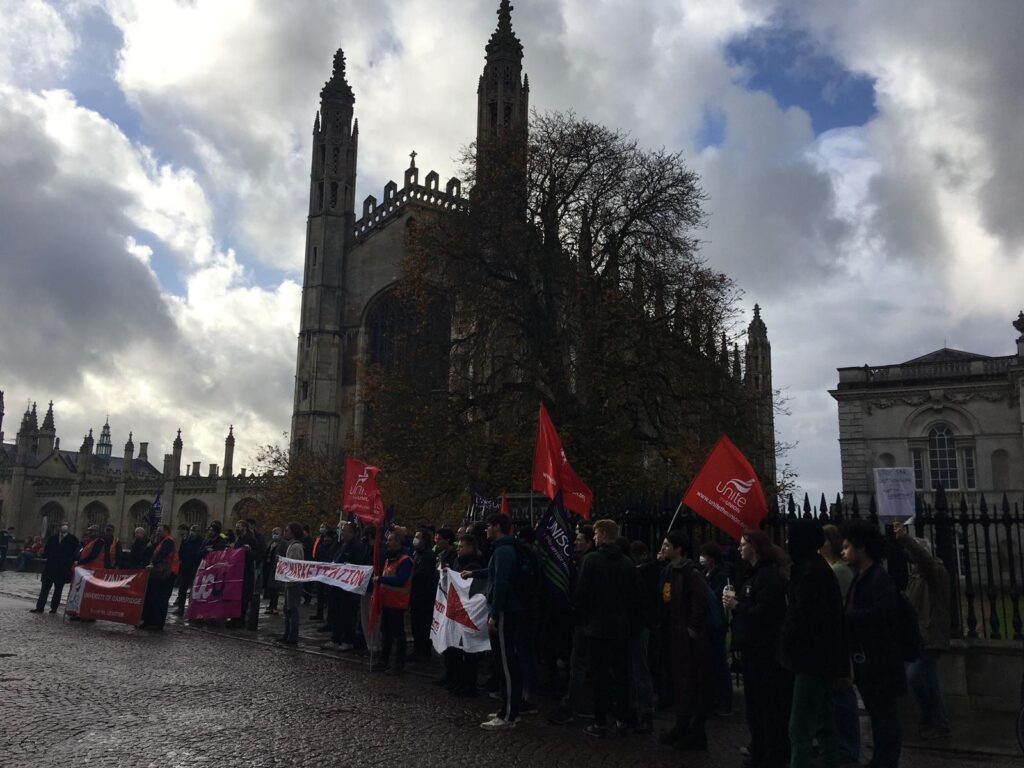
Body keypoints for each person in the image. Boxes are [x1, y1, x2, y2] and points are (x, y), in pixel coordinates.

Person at [782, 519, 847, 768]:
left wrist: (786, 636)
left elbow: (804, 618)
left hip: (810, 659)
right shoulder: (814, 568)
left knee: (800, 729)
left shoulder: (810, 572)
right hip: (821, 658)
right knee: (824, 723)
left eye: (791, 538)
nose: (788, 542)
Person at [842, 520, 906, 768]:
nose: (844, 551)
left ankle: (886, 762)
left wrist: (847, 617)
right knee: (878, 715)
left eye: (848, 547)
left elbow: (884, 614)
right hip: (868, 659)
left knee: (885, 717)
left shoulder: (878, 578)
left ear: (862, 549)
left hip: (880, 660)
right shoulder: (863, 576)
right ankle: (880, 760)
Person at [724, 528, 790, 768]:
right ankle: (761, 750)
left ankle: (771, 754)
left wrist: (737, 605)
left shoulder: (767, 576)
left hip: (764, 652)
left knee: (767, 706)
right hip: (753, 650)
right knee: (756, 706)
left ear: (756, 547)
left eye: (744, 544)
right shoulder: (755, 575)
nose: (740, 547)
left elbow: (764, 613)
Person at [575, 519, 640, 738]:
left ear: (602, 534)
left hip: (597, 626)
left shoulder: (591, 560)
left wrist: (585, 618)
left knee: (600, 676)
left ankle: (600, 720)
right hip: (621, 627)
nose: (594, 537)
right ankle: (622, 718)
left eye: (595, 533)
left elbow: (582, 594)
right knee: (622, 675)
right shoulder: (628, 564)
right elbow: (634, 598)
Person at [462, 513, 522, 730]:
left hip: (505, 612)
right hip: (505, 611)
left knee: (506, 663)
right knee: (506, 662)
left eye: (488, 526)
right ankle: (507, 708)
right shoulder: (503, 549)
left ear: (497, 527)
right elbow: (494, 572)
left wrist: (495, 614)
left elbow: (502, 583)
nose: (486, 530)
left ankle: (508, 715)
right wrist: (474, 573)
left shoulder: (504, 551)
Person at [894, 521, 952, 739]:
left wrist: (904, 538)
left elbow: (923, 560)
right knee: (927, 680)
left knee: (917, 675)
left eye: (913, 554)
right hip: (919, 636)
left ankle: (936, 719)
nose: (910, 559)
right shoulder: (916, 577)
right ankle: (935, 720)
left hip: (931, 635)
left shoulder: (936, 571)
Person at [657, 531, 714, 751]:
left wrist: (691, 629)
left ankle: (696, 731)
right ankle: (681, 725)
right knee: (680, 683)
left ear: (678, 548)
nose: (663, 548)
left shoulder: (692, 573)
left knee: (692, 683)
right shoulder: (668, 571)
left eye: (667, 545)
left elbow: (698, 604)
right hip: (673, 635)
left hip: (689, 639)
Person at [550, 524, 596, 725]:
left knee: (580, 664)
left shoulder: (588, 562)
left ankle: (574, 706)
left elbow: (583, 592)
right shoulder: (582, 560)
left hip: (586, 620)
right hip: (588, 620)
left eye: (579, 539)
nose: (575, 543)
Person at [821, 524, 859, 764]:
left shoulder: (838, 571)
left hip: (838, 641)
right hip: (834, 639)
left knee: (841, 694)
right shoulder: (834, 570)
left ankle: (848, 746)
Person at [445, 534, 485, 697]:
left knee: (469, 653)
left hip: (469, 614)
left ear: (470, 548)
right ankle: (459, 681)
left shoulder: (474, 566)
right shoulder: (458, 562)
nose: (458, 549)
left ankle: (469, 685)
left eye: (461, 547)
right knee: (458, 649)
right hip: (458, 612)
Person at [699, 541, 734, 716]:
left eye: (704, 555)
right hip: (707, 622)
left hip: (716, 623)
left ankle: (725, 700)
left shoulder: (720, 575)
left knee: (720, 662)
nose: (702, 558)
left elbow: (716, 597)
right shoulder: (706, 573)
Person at [628, 540, 659, 734]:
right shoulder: (648, 571)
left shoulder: (645, 574)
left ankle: (645, 711)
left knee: (640, 669)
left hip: (640, 625)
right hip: (643, 624)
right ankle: (639, 709)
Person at [373, 530, 413, 674]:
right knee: (386, 633)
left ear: (398, 542)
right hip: (387, 602)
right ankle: (384, 660)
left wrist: (381, 579)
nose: (387, 543)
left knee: (398, 634)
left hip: (397, 602)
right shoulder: (389, 559)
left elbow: (400, 580)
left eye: (390, 540)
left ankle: (398, 664)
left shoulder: (405, 560)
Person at [323, 522, 365, 651]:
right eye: (341, 530)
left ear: (352, 533)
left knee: (347, 614)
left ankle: (348, 640)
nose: (342, 533)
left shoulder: (357, 547)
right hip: (336, 585)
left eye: (345, 531)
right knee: (335, 612)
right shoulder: (338, 544)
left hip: (348, 587)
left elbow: (358, 563)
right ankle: (335, 638)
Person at [31, 522, 79, 613]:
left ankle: (54, 608)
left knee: (58, 590)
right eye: (62, 525)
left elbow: (74, 554)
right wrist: (41, 554)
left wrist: (71, 563)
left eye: (66, 525)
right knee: (44, 589)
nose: (63, 527)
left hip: (62, 569)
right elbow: (46, 553)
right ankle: (40, 607)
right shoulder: (52, 538)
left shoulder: (73, 539)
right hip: (50, 568)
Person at [139, 525, 179, 631]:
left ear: (166, 531)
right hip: (160, 573)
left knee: (160, 598)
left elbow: (161, 555)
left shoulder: (168, 541)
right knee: (153, 597)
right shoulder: (162, 542)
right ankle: (150, 621)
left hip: (165, 574)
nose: (157, 532)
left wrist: (153, 563)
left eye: (160, 531)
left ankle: (157, 623)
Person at [409, 527, 437, 664]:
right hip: (415, 596)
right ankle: (416, 650)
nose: (415, 539)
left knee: (423, 626)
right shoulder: (416, 553)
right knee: (415, 625)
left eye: (418, 537)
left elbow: (423, 575)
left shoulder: (428, 556)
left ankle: (424, 653)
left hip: (424, 597)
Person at [277, 522, 306, 646]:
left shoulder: (296, 547)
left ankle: (292, 635)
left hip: (293, 582)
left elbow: (295, 564)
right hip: (289, 581)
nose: (285, 533)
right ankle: (287, 633)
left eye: (287, 531)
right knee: (287, 609)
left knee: (292, 609)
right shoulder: (291, 545)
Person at [230, 519, 259, 627]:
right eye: (236, 527)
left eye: (239, 527)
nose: (237, 529)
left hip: (246, 571)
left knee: (244, 597)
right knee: (235, 595)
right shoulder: (238, 540)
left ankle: (241, 619)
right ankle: (234, 617)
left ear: (245, 528)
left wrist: (249, 551)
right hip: (236, 571)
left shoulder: (251, 540)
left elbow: (257, 555)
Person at [175, 525, 203, 616]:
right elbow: (181, 552)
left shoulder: (200, 541)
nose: (194, 532)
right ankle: (180, 608)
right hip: (185, 567)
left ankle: (193, 609)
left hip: (195, 567)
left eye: (196, 530)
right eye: (192, 530)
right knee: (182, 588)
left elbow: (199, 553)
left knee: (194, 589)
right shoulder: (186, 539)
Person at [263, 527, 285, 615]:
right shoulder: (270, 542)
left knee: (275, 588)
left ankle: (274, 606)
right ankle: (271, 605)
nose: (274, 535)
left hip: (276, 568)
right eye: (273, 533)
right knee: (270, 587)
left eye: (276, 533)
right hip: (269, 566)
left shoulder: (283, 544)